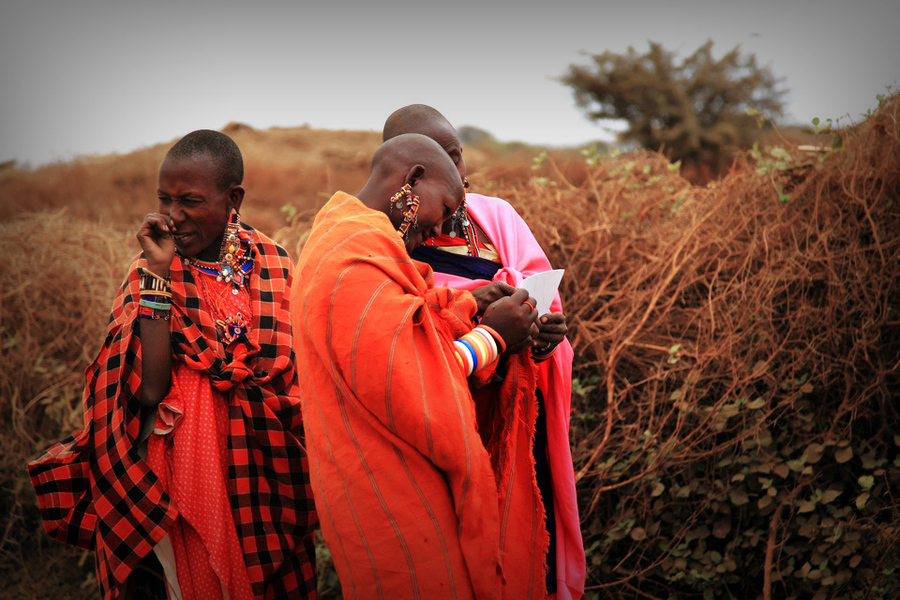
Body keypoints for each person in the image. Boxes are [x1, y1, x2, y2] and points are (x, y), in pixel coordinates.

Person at [27, 129, 317, 600]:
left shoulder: (274, 263)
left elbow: (293, 372)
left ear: (233, 198)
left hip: (264, 472)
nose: (173, 216)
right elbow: (148, 390)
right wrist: (158, 276)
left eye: (190, 201)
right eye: (165, 199)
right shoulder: (149, 269)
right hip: (179, 474)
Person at [292, 132, 550, 599]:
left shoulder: (355, 239)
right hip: (389, 495)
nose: (439, 229)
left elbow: (401, 325)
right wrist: (493, 338)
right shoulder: (352, 260)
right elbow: (408, 382)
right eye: (446, 209)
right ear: (412, 180)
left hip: (386, 480)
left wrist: (469, 302)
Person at [384, 104, 586, 600]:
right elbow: (402, 341)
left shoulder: (496, 217)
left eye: (460, 158)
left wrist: (543, 339)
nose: (463, 176)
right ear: (409, 171)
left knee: (522, 535)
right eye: (447, 162)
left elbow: (544, 298)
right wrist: (482, 321)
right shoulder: (387, 245)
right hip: (444, 424)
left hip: (518, 418)